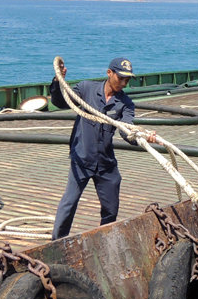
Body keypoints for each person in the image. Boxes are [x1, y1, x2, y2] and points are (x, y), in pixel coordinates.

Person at [49, 56, 139, 239]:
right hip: (81, 159)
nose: (123, 83)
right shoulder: (85, 89)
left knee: (111, 209)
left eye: (127, 80)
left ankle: (104, 240)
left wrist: (140, 136)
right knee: (69, 203)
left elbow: (126, 129)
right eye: (120, 78)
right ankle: (55, 242)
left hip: (105, 163)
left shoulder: (126, 104)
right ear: (109, 73)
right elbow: (60, 102)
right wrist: (59, 81)